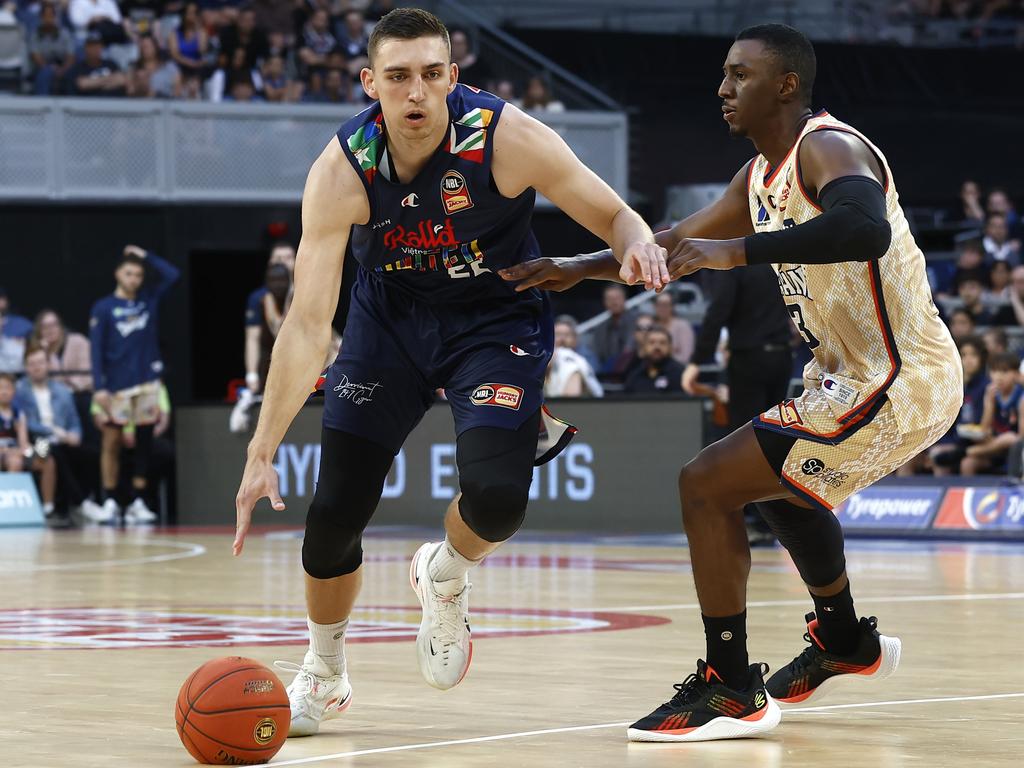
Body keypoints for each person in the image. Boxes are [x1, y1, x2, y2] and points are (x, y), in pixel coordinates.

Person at [502, 24, 961, 742]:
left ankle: (730, 686)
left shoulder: (829, 147)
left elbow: (862, 229)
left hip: (901, 379)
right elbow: (671, 246)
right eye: (723, 75)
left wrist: (735, 251)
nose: (722, 89)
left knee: (706, 482)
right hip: (845, 379)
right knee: (770, 483)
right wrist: (576, 267)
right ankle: (844, 642)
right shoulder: (757, 178)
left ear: (785, 85)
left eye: (739, 75)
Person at [232, 7, 667, 739]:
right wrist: (260, 449)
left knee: (498, 500)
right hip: (389, 321)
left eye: (432, 75)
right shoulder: (342, 167)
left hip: (495, 322)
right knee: (335, 510)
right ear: (370, 83)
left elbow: (616, 215)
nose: (416, 93)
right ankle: (325, 670)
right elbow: (309, 323)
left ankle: (445, 575)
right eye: (398, 77)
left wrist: (641, 246)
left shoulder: (507, 138)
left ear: (453, 77)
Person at [90, 244, 180, 524]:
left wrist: (145, 256)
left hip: (147, 384)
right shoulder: (104, 307)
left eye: (138, 275)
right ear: (118, 274)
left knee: (144, 443)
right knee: (112, 441)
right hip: (116, 386)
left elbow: (173, 275)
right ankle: (111, 499)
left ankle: (139, 500)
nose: (134, 280)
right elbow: (96, 349)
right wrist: (99, 386)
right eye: (129, 273)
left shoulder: (147, 300)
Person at [15, 347, 90, 525]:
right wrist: (53, 432)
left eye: (40, 363)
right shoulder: (19, 390)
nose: (37, 367)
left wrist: (75, 434)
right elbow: (27, 423)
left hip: (62, 440)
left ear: (48, 364)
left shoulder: (62, 390)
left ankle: (79, 504)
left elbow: (74, 420)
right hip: (37, 442)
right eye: (32, 364)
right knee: (51, 450)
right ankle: (80, 503)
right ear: (26, 367)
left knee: (89, 453)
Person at [960, 352, 1024, 475]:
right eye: (994, 371)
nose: (999, 377)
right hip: (995, 449)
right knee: (967, 463)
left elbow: (1021, 439)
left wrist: (997, 443)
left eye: (1004, 372)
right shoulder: (991, 394)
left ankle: (974, 450)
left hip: (1015, 451)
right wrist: (989, 402)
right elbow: (984, 430)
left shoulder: (1021, 397)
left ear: (1016, 375)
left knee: (1010, 438)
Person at [244, 242, 296, 394]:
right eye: (278, 257)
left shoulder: (307, 292)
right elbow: (253, 338)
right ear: (270, 262)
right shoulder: (259, 298)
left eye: (288, 257)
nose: (283, 262)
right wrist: (251, 375)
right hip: (271, 356)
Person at [624, 326, 685, 394]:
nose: (657, 347)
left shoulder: (680, 374)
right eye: (652, 342)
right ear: (644, 347)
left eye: (662, 343)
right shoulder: (635, 374)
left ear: (670, 347)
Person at [652, 291, 695, 364]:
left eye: (665, 305)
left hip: (676, 369)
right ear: (655, 306)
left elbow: (685, 356)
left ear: (672, 307)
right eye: (659, 305)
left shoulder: (683, 326)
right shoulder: (651, 325)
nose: (662, 308)